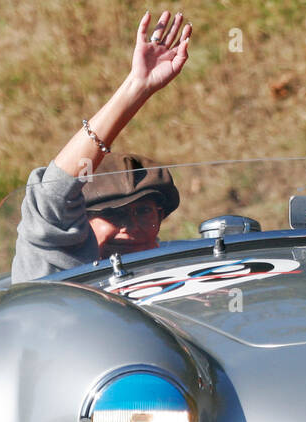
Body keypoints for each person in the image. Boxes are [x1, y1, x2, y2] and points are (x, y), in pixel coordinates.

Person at [12, 11, 192, 283]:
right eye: (113, 214)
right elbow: (53, 195)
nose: (130, 228)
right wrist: (136, 88)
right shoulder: (59, 274)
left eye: (144, 211)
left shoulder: (185, 282)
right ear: (79, 223)